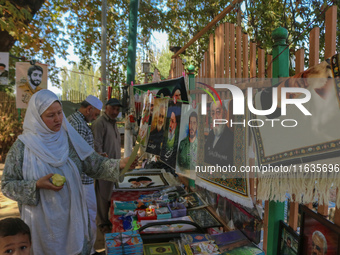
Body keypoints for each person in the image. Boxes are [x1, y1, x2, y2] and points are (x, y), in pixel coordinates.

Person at [1, 90, 135, 255]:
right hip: (42, 225)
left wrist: (119, 164)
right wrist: (35, 185)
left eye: (59, 113)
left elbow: (94, 164)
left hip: (72, 218)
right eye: (51, 115)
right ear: (37, 117)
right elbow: (7, 185)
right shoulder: (22, 148)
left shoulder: (69, 139)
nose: (58, 119)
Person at [67, 95, 102, 255]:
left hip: (81, 178)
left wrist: (98, 156)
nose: (95, 118)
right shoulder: (78, 125)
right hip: (82, 180)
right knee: (88, 216)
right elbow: (82, 156)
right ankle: (88, 250)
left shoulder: (75, 120)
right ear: (89, 109)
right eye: (95, 114)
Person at [92, 98, 123, 235]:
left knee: (110, 194)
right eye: (113, 109)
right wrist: (102, 161)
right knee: (102, 196)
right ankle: (102, 223)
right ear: (106, 108)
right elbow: (96, 145)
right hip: (104, 166)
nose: (115, 112)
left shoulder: (114, 123)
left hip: (114, 166)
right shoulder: (100, 123)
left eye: (117, 110)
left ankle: (108, 220)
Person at [204, 100, 234, 167]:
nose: (215, 118)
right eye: (213, 113)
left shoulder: (231, 138)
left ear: (225, 114)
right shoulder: (211, 134)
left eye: (218, 112)